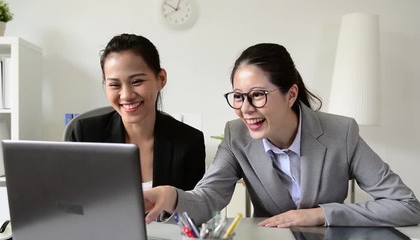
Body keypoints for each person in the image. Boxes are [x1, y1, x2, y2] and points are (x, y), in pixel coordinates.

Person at [143, 43, 420, 227]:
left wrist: (321, 214)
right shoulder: (236, 136)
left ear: (291, 94)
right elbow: (208, 198)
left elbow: (406, 205)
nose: (245, 109)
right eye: (238, 97)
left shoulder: (341, 133)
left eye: (258, 96)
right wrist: (174, 197)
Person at [66, 33, 206, 191]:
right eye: (114, 85)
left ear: (161, 79)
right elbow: (72, 202)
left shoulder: (188, 141)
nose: (126, 95)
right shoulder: (85, 135)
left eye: (137, 81)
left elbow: (192, 211)